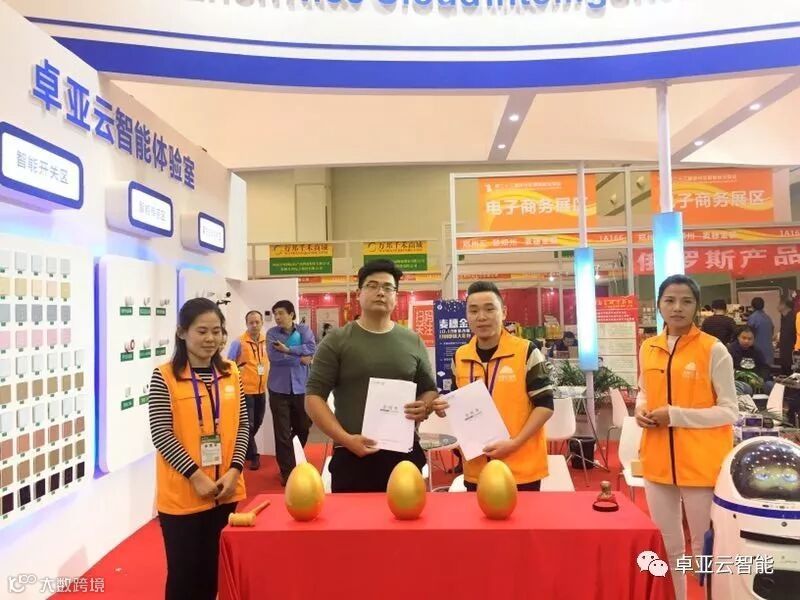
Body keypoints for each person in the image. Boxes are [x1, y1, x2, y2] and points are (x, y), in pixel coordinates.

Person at [636, 274, 737, 600]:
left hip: (700, 464)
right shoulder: (648, 348)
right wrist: (640, 410)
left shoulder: (714, 350)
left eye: (686, 301)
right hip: (657, 460)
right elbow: (643, 391)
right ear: (659, 306)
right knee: (667, 546)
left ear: (697, 306)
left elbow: (729, 411)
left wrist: (675, 415)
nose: (677, 307)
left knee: (704, 547)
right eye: (670, 300)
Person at [305, 259, 438, 492]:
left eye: (388, 287)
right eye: (372, 286)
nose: (380, 292)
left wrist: (424, 406)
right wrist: (346, 439)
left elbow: (429, 389)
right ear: (359, 294)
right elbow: (313, 398)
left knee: (408, 514)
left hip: (404, 456)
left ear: (396, 296)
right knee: (356, 517)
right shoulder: (337, 340)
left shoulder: (412, 340)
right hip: (352, 455)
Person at [148, 298, 248, 600]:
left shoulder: (231, 372)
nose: (210, 339)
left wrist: (235, 470)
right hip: (183, 496)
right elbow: (161, 433)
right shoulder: (165, 376)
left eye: (217, 331)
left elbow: (242, 425)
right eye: (202, 331)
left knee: (212, 573)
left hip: (225, 490)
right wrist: (195, 475)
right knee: (183, 576)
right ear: (182, 333)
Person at [433, 281, 554, 491]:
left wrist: (514, 443)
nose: (481, 317)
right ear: (467, 316)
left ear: (504, 312)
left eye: (490, 309)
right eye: (473, 310)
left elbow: (545, 406)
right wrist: (443, 408)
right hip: (476, 468)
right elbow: (456, 404)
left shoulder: (526, 351)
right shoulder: (460, 356)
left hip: (520, 467)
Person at [266, 300, 316, 486]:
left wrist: (288, 350)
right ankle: (287, 471)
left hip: (301, 387)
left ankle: (295, 456)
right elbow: (274, 357)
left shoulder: (304, 330)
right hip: (278, 388)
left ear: (291, 314)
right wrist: (300, 358)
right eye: (275, 314)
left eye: (280, 313)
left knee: (303, 426)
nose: (277, 317)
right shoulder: (272, 333)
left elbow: (312, 348)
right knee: (282, 432)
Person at [228, 311, 268, 470]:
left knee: (258, 421)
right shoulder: (238, 342)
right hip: (245, 391)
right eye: (251, 322)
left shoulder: (267, 341)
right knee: (249, 425)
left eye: (257, 322)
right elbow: (229, 363)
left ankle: (245, 449)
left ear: (262, 323)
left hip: (261, 389)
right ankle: (254, 455)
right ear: (246, 324)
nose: (254, 325)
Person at [726, 326, 772, 395]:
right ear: (738, 337)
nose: (746, 341)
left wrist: (761, 378)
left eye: (749, 339)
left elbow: (764, 367)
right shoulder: (730, 350)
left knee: (770, 385)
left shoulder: (757, 351)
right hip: (738, 381)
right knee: (747, 388)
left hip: (755, 381)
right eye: (744, 338)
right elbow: (728, 370)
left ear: (753, 339)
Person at [747, 297, 774, 366]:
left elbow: (749, 335)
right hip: (769, 351)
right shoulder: (768, 318)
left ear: (752, 306)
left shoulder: (753, 318)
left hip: (757, 350)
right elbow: (772, 332)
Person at [778, 299, 797, 375]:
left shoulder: (793, 318)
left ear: (784, 306)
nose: (778, 306)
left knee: (790, 373)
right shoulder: (784, 317)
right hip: (784, 352)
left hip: (790, 352)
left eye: (780, 304)